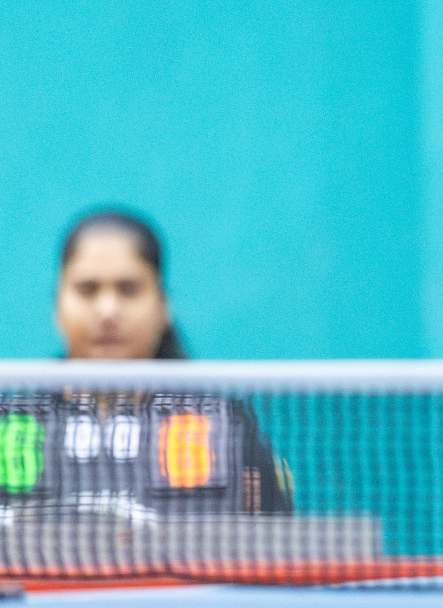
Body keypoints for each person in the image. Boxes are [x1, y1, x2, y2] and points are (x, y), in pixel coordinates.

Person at [6, 209, 295, 516]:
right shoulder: (11, 429)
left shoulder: (223, 430)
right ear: (57, 306)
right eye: (87, 290)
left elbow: (272, 550)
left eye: (129, 289)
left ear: (163, 306)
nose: (107, 310)